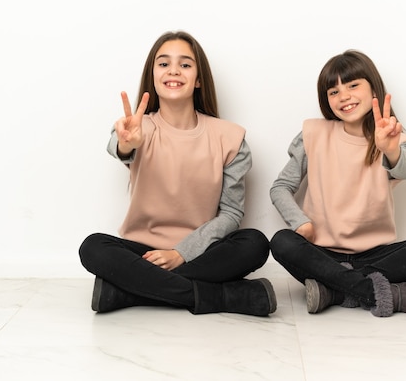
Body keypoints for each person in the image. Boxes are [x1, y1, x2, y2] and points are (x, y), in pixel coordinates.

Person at [79, 31, 276, 317]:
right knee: (93, 247)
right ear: (153, 76)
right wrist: (126, 143)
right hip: (143, 253)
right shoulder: (137, 128)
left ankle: (126, 292)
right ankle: (225, 296)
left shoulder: (230, 138)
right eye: (164, 64)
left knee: (255, 243)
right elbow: (120, 147)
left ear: (198, 79)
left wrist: (181, 253)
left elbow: (231, 215)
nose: (173, 70)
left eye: (185, 64)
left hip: (201, 251)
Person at [269, 50, 406, 317]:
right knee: (281, 242)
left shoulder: (392, 137)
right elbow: (280, 186)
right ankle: (388, 295)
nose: (344, 96)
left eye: (353, 85)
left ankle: (334, 290)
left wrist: (390, 150)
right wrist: (300, 221)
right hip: (322, 254)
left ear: (373, 88)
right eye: (333, 91)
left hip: (375, 256)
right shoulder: (314, 134)